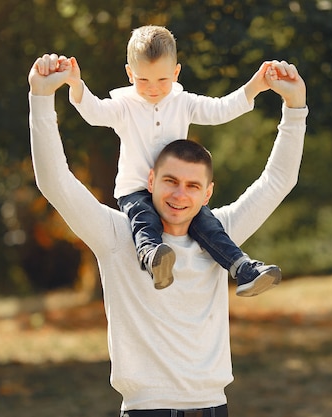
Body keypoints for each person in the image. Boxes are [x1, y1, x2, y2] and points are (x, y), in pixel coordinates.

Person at [28, 53, 307, 416]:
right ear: (150, 182)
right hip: (147, 410)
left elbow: (277, 181)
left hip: (211, 408)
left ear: (207, 194)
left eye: (192, 186)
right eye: (170, 182)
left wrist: (295, 107)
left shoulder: (221, 233)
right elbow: (55, 182)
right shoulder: (115, 235)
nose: (179, 195)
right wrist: (41, 97)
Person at [58, 25, 282, 296]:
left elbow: (220, 109)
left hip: (176, 188)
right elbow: (94, 113)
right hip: (136, 189)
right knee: (145, 220)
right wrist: (75, 84)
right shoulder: (124, 106)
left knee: (208, 225)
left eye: (162, 80)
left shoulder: (183, 102)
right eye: (143, 81)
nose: (153, 89)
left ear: (176, 73)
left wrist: (255, 86)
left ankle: (244, 269)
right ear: (130, 74)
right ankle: (154, 259)